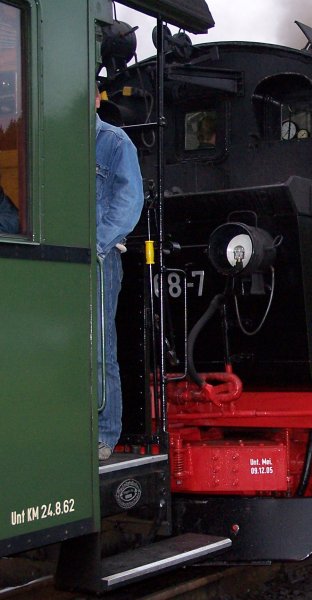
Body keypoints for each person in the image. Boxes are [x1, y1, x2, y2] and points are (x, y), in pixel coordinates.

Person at [96, 85, 144, 460]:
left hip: (99, 258)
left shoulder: (113, 142)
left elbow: (129, 201)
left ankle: (105, 433)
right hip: (58, 257)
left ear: (97, 98)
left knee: (99, 344)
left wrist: (94, 244)